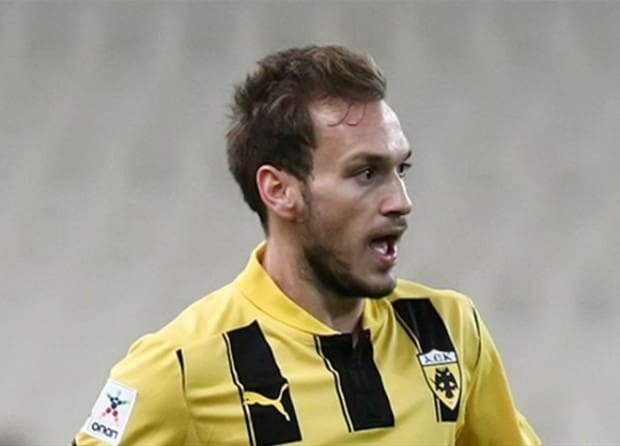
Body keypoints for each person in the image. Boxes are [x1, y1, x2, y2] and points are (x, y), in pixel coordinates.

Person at [73, 45, 540, 446]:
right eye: (366, 173)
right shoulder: (180, 365)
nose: (401, 201)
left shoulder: (448, 330)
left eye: (402, 170)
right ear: (280, 191)